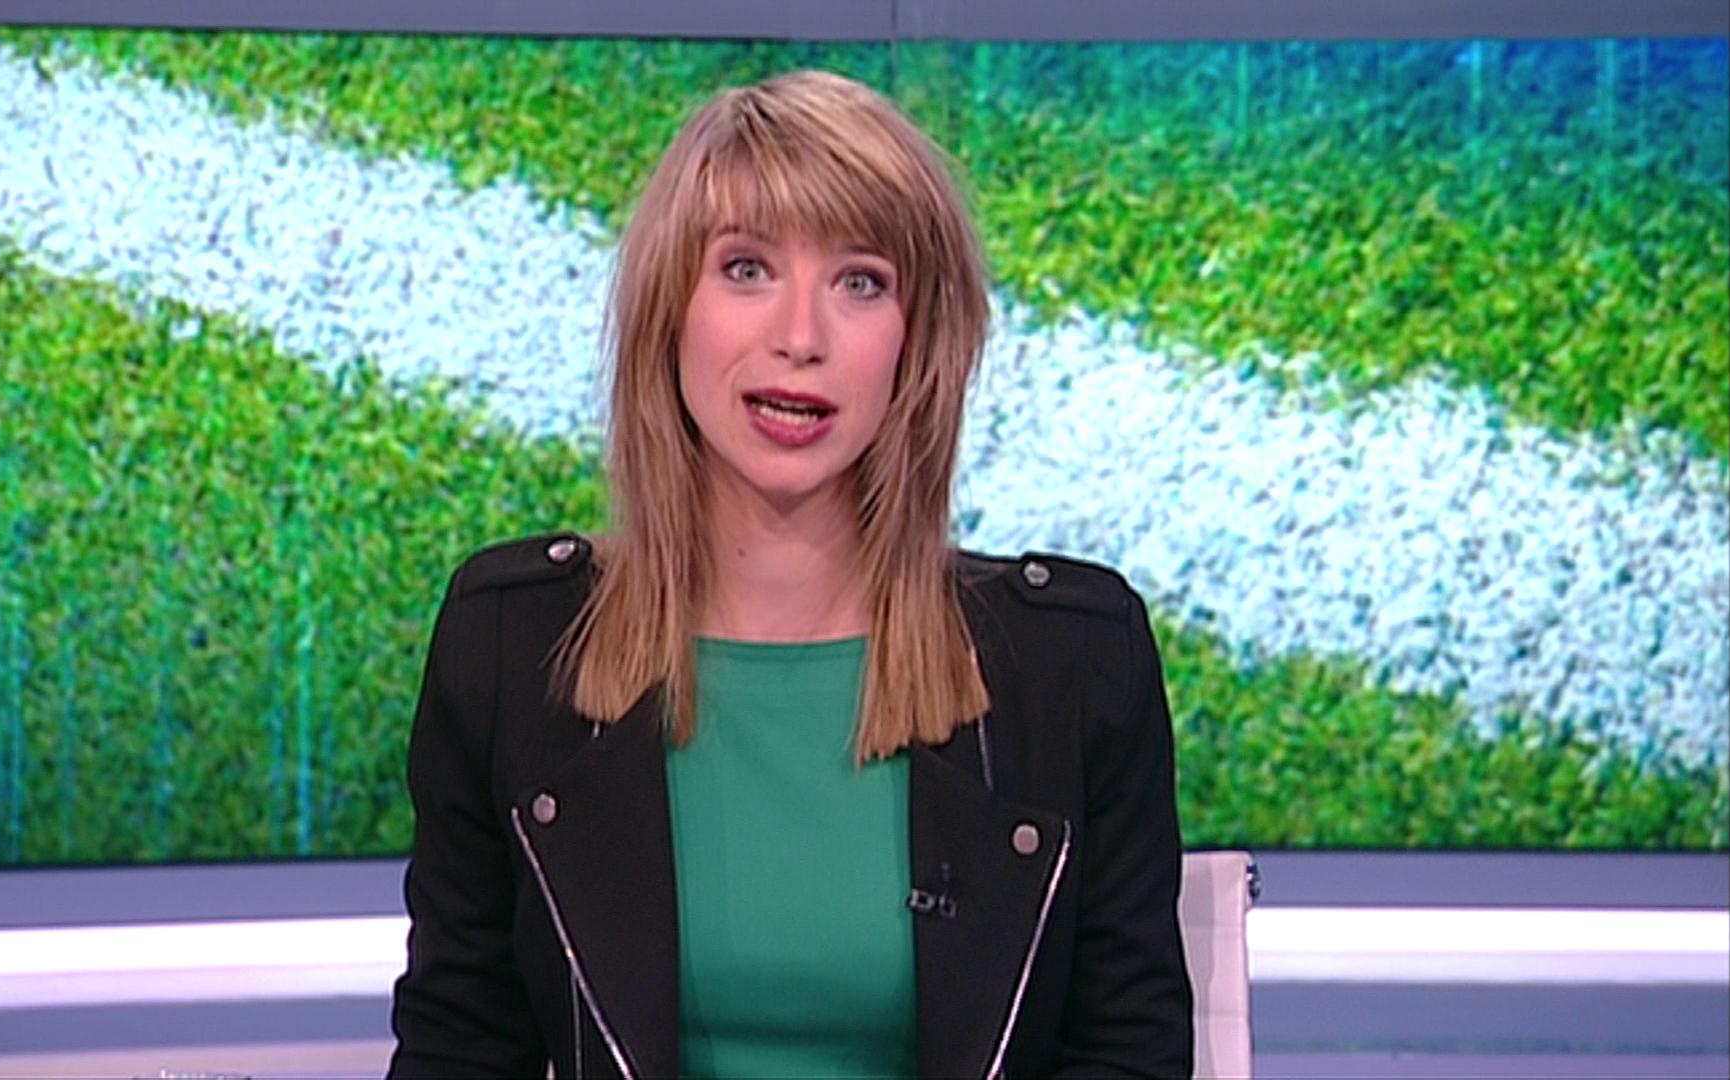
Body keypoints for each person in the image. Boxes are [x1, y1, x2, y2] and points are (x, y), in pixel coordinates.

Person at [388, 69, 1193, 1079]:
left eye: (861, 282)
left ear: (917, 343)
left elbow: (1126, 1055)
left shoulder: (1072, 666)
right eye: (746, 268)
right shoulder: (514, 647)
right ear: (669, 312)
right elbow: (460, 1048)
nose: (801, 338)